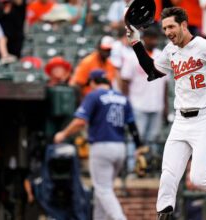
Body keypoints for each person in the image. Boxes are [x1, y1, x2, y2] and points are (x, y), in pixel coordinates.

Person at [126, 7, 206, 220]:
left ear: (184, 24)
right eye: (164, 28)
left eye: (171, 26)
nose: (168, 32)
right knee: (168, 176)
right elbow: (153, 71)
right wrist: (137, 43)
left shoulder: (205, 46)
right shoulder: (170, 50)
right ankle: (164, 215)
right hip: (181, 120)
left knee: (200, 178)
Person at [54, 69, 145, 220]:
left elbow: (80, 121)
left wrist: (63, 134)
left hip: (102, 147)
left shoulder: (94, 95)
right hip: (120, 148)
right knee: (102, 191)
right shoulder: (122, 97)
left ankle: (120, 218)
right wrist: (138, 146)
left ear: (93, 82)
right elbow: (132, 126)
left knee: (103, 189)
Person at [120, 27, 168, 148]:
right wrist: (127, 103)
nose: (154, 41)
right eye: (151, 38)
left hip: (157, 105)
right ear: (144, 39)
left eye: (155, 38)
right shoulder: (132, 56)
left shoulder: (161, 56)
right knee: (136, 138)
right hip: (137, 104)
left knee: (153, 139)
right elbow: (125, 80)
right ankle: (133, 167)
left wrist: (165, 106)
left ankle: (150, 166)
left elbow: (165, 84)